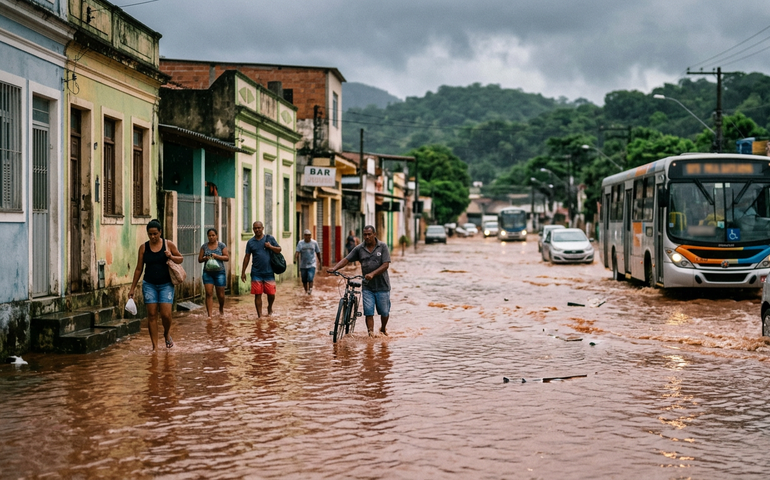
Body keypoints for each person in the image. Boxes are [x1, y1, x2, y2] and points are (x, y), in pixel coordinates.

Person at [128, 219, 184, 350]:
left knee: (166, 315)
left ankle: (166, 334)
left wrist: (171, 256)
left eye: (155, 234)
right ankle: (155, 347)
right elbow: (138, 269)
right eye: (150, 234)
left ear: (160, 232)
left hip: (166, 284)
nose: (153, 237)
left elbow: (180, 258)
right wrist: (132, 288)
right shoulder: (143, 248)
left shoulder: (168, 244)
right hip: (149, 285)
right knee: (152, 315)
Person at [328, 225, 391, 337]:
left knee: (384, 312)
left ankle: (383, 328)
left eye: (369, 234)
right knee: (368, 312)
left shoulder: (383, 247)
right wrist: (334, 268)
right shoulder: (360, 248)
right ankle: (370, 336)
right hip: (367, 287)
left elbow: (386, 265)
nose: (366, 237)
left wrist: (372, 274)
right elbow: (346, 259)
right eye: (365, 234)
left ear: (374, 234)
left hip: (382, 286)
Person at [241, 221, 281, 317]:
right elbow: (247, 257)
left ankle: (269, 307)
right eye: (255, 228)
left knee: (271, 294)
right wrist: (243, 272)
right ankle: (259, 316)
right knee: (257, 294)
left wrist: (270, 246)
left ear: (262, 228)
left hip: (269, 272)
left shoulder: (269, 239)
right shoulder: (250, 242)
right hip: (256, 272)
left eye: (259, 228)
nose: (257, 230)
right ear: (253, 229)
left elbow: (279, 249)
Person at [198, 228, 229, 318]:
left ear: (217, 236)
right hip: (207, 273)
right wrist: (205, 258)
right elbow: (199, 259)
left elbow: (227, 258)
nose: (211, 237)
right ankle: (209, 315)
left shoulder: (221, 245)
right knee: (209, 293)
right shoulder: (204, 246)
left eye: (213, 235)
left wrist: (217, 256)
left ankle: (221, 309)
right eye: (209, 236)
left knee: (221, 294)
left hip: (220, 273)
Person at [295, 229, 322, 295]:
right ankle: (306, 291)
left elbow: (318, 252)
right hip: (303, 265)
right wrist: (295, 259)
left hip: (312, 264)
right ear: (304, 236)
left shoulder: (314, 243)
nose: (308, 237)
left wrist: (320, 261)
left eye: (309, 235)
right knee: (304, 280)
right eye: (307, 235)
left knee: (310, 277)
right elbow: (297, 252)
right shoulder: (300, 243)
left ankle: (310, 290)